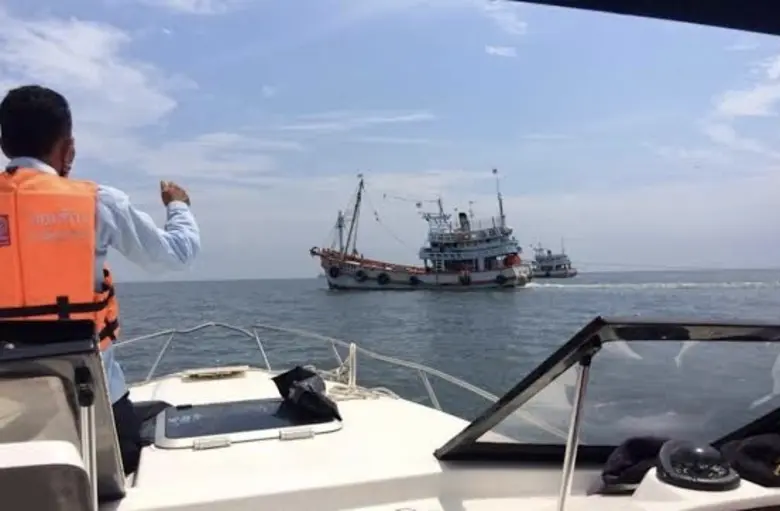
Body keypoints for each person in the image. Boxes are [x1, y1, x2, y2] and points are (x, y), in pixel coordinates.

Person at [0, 85, 200, 475]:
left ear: (4, 143)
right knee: (138, 462)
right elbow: (177, 254)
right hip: (89, 400)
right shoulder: (97, 202)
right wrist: (179, 206)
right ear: (68, 148)